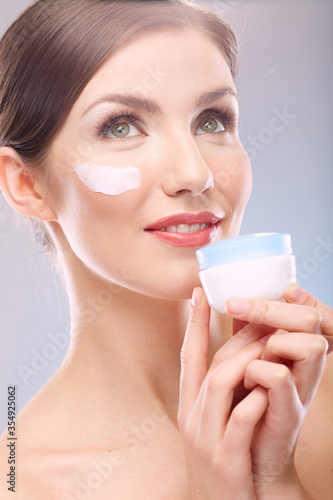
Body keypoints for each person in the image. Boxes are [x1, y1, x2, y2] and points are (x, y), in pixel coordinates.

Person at [0, 0, 332, 498]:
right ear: (26, 184)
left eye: (212, 120)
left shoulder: (317, 381)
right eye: (120, 126)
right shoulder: (21, 480)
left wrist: (275, 483)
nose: (194, 173)